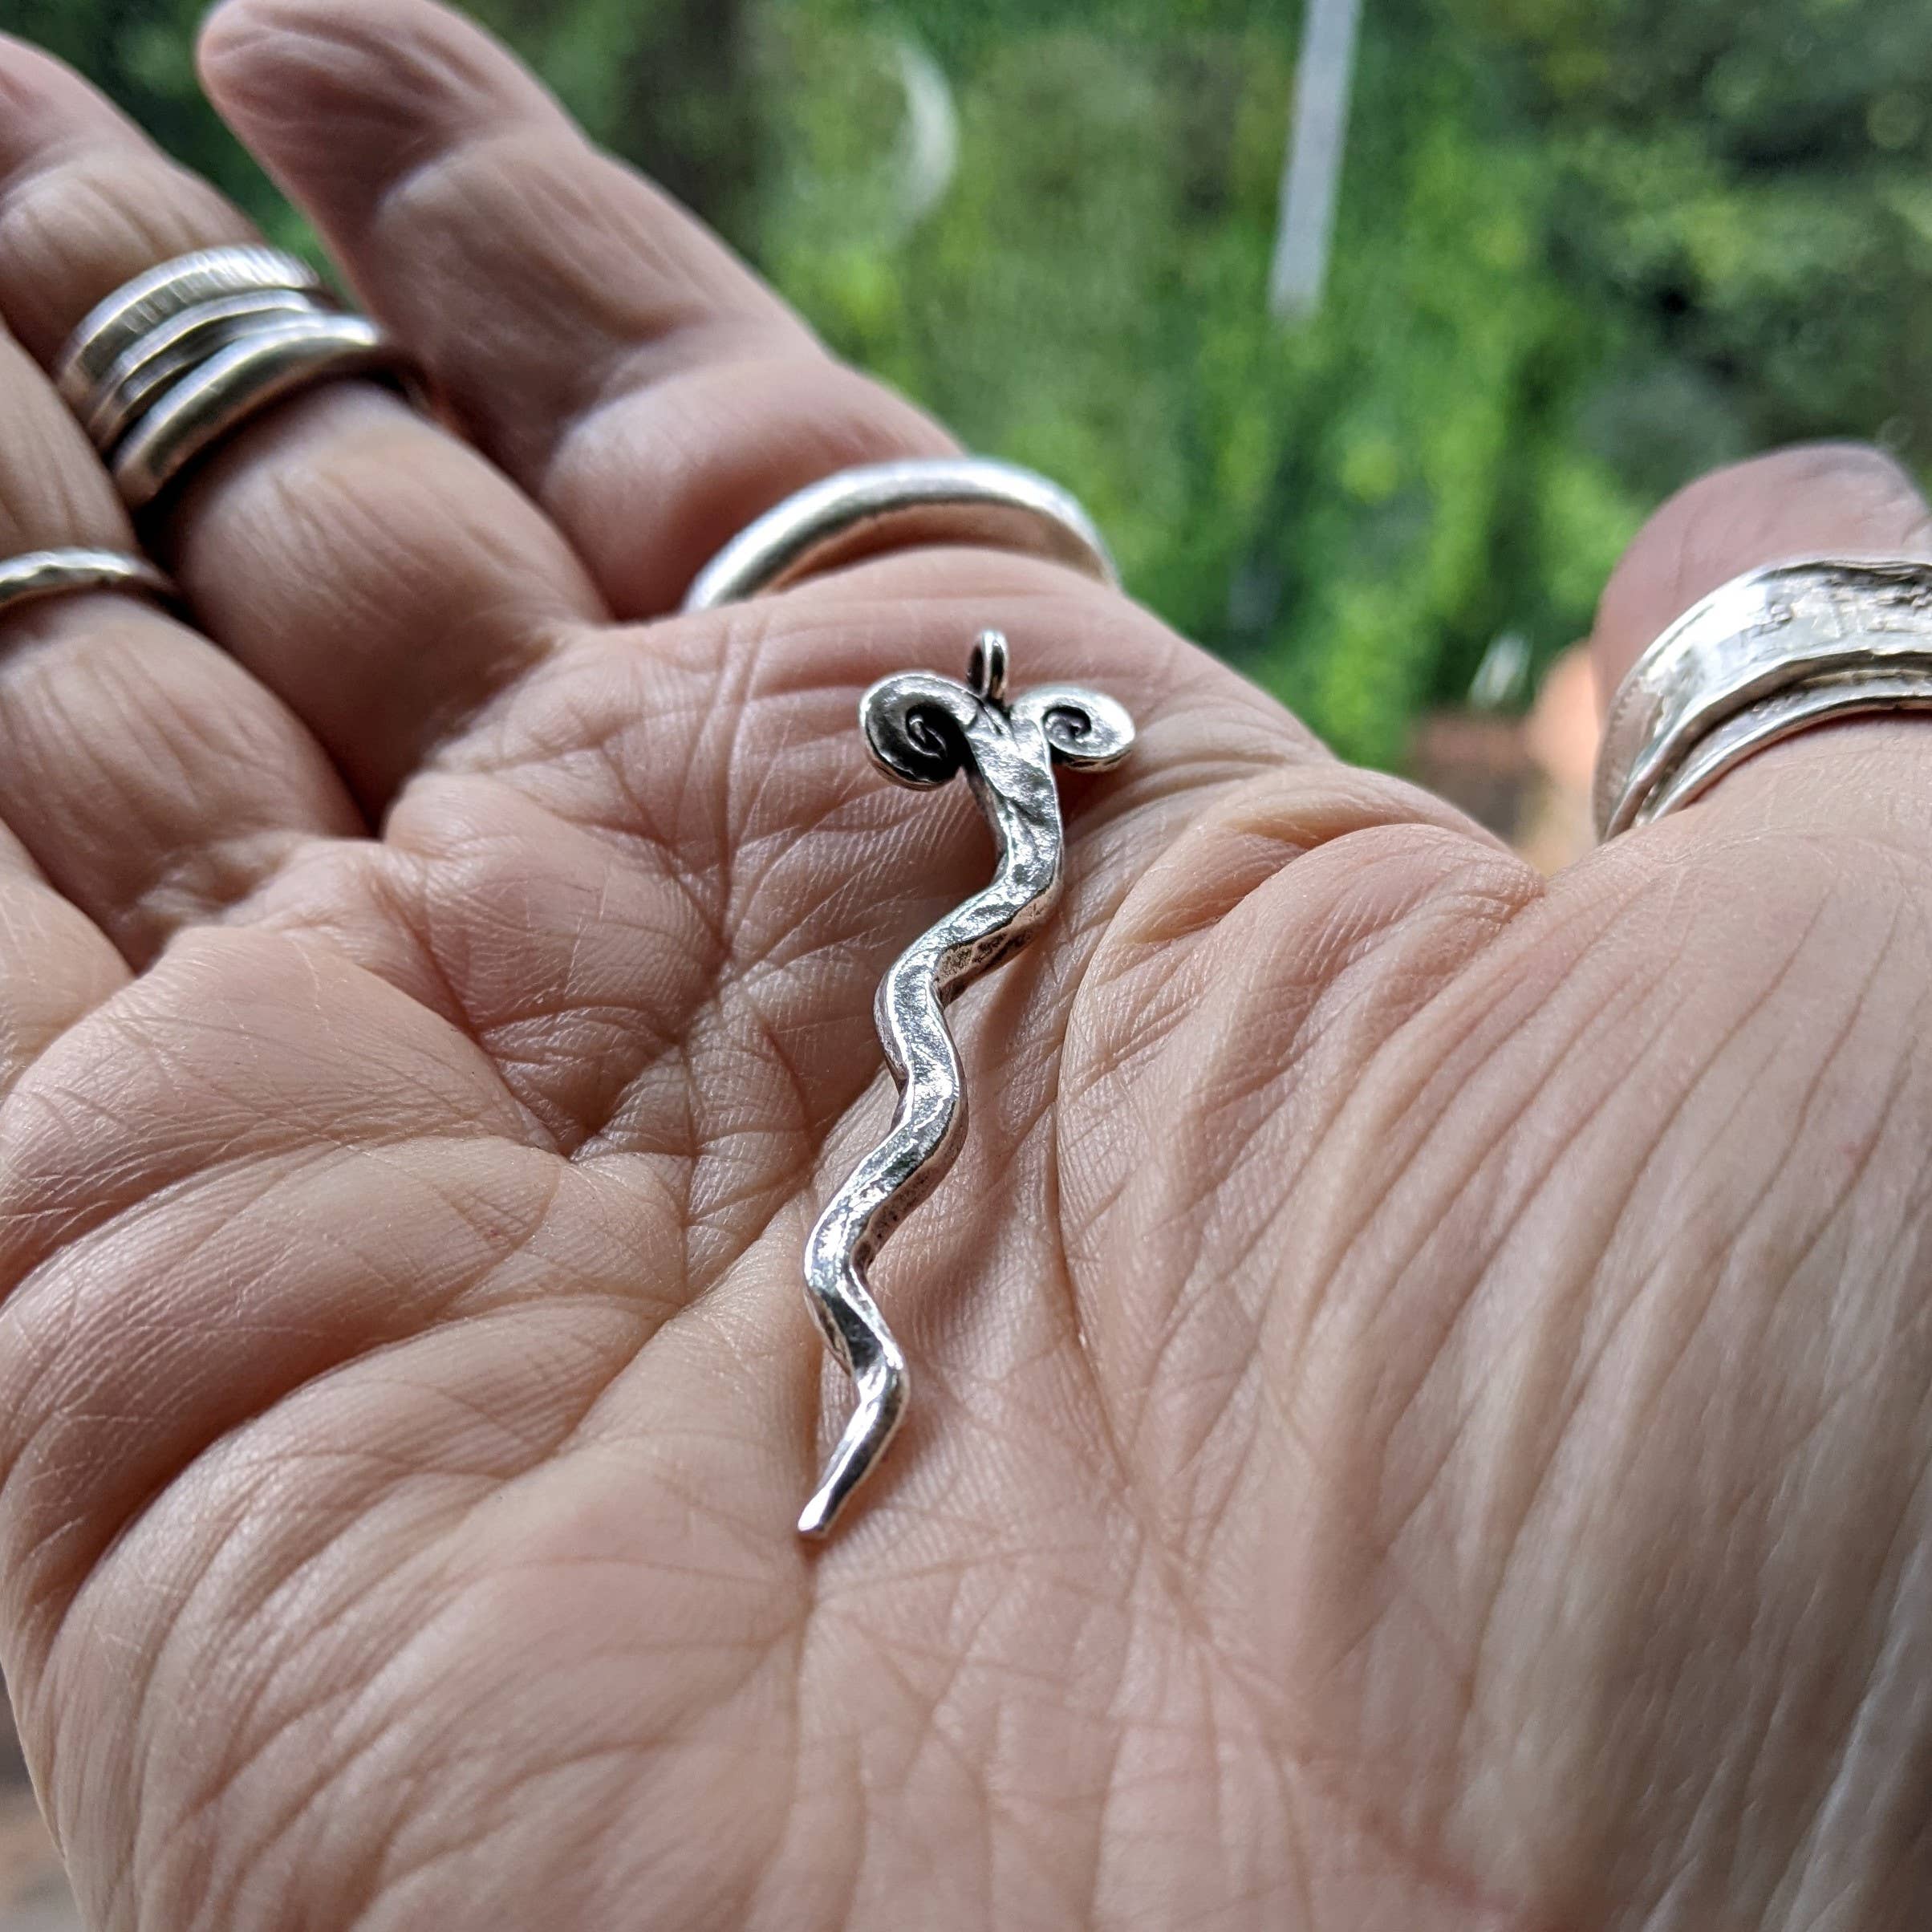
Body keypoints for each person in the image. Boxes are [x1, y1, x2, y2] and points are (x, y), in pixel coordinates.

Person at [0, 0, 1926, 1925]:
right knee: (910, 1086)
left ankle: (856, 1397)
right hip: (964, 919)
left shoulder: (1038, 756)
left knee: (917, 1077)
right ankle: (852, 1382)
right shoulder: (982, 746)